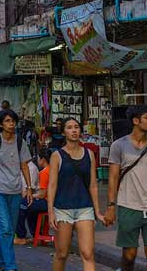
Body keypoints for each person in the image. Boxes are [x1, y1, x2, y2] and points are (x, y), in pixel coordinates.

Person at [47, 117, 103, 271]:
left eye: (76, 127)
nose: (74, 130)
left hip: (85, 208)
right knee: (62, 253)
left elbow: (93, 185)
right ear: (64, 132)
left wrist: (97, 211)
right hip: (63, 209)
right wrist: (51, 211)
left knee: (88, 253)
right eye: (70, 127)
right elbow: (52, 185)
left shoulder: (89, 154)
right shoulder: (57, 156)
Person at [0, 109, 33, 271]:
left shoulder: (20, 142)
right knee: (6, 229)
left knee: (9, 229)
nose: (11, 124)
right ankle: (11, 266)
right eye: (8, 121)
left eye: (13, 121)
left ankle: (0, 262)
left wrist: (29, 187)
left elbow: (25, 165)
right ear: (1, 124)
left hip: (15, 191)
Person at [106, 104, 147, 271]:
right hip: (128, 205)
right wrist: (110, 206)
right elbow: (113, 178)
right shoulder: (119, 145)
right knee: (129, 255)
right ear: (136, 121)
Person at [15, 148, 50, 244]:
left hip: (47, 202)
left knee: (22, 205)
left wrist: (32, 196)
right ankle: (35, 235)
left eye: (38, 158)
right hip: (50, 201)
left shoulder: (42, 172)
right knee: (29, 206)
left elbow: (42, 194)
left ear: (43, 160)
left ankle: (21, 236)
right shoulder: (50, 170)